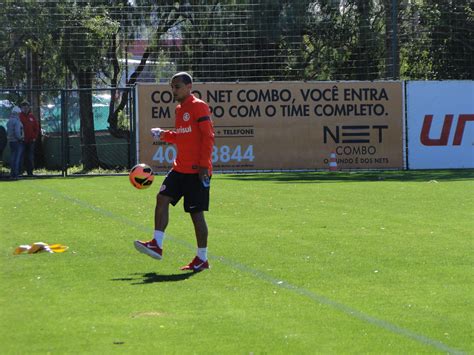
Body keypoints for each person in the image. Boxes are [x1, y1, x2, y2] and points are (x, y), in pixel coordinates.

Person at [134, 72, 215, 272]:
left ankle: (202, 258)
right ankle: (157, 244)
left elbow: (208, 136)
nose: (174, 90)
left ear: (189, 87)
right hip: (179, 168)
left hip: (197, 171)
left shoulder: (199, 106)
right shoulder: (180, 110)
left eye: (177, 86)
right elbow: (183, 136)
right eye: (172, 86)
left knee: (196, 214)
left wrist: (204, 164)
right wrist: (165, 135)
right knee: (161, 198)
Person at [19, 101, 39, 176]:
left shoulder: (32, 117)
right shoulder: (19, 116)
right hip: (21, 140)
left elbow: (36, 128)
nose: (26, 109)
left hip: (31, 140)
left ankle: (30, 172)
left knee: (30, 157)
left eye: (27, 107)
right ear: (21, 108)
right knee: (20, 156)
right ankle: (19, 172)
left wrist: (34, 137)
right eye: (24, 107)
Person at [6, 107, 24, 179]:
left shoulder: (9, 121)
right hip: (17, 141)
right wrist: (21, 138)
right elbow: (17, 133)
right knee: (17, 158)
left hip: (11, 141)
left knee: (13, 158)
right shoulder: (16, 121)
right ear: (17, 113)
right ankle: (16, 174)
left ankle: (12, 174)